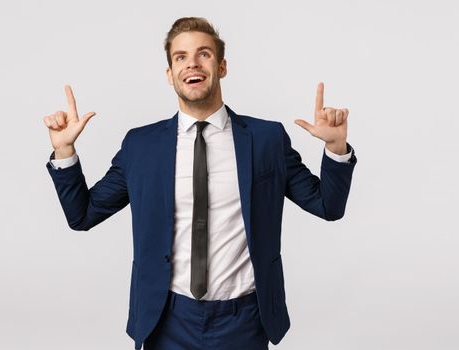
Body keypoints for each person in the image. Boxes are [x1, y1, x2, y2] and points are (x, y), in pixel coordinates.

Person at [43, 17, 357, 350]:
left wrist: (335, 148)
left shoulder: (267, 140)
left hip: (244, 318)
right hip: (166, 319)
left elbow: (328, 206)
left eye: (203, 54)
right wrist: (64, 150)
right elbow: (83, 215)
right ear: (170, 75)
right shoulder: (141, 146)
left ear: (222, 67)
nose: (191, 62)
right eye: (180, 57)